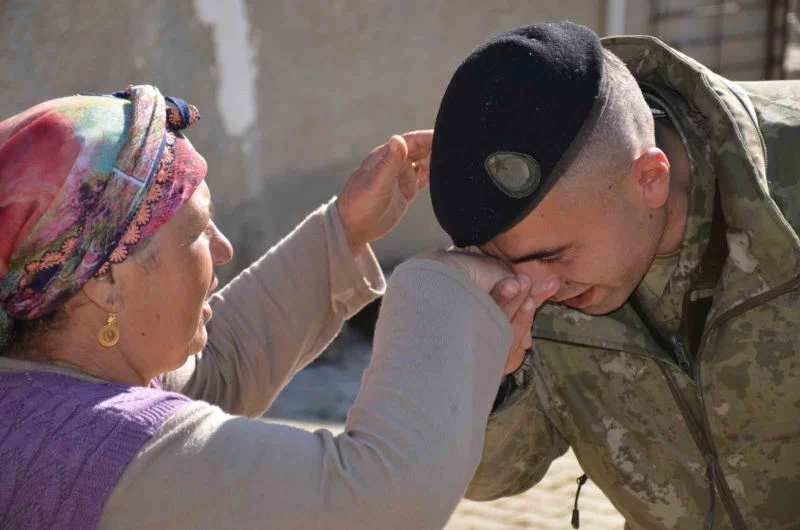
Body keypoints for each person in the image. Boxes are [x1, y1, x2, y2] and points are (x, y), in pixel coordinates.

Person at [0, 85, 557, 529]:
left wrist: (344, 230)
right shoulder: (85, 445)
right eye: (197, 231)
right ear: (107, 282)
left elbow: (216, 369)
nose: (223, 248)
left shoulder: (41, 386)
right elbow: (376, 500)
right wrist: (445, 292)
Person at [428, 21, 800, 530]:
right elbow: (491, 477)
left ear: (649, 179)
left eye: (556, 256)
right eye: (509, 263)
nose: (538, 290)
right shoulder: (533, 279)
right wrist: (491, 377)